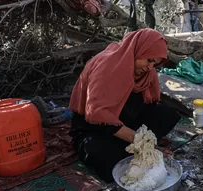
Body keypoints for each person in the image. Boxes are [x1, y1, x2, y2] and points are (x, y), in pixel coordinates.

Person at [68, 28, 181, 182]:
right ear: (138, 50)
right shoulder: (108, 65)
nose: (150, 67)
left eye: (155, 64)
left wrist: (140, 138)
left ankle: (130, 149)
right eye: (148, 60)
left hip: (125, 119)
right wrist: (137, 139)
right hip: (95, 127)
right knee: (101, 155)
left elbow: (150, 104)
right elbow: (97, 113)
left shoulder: (147, 72)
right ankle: (130, 150)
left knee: (167, 115)